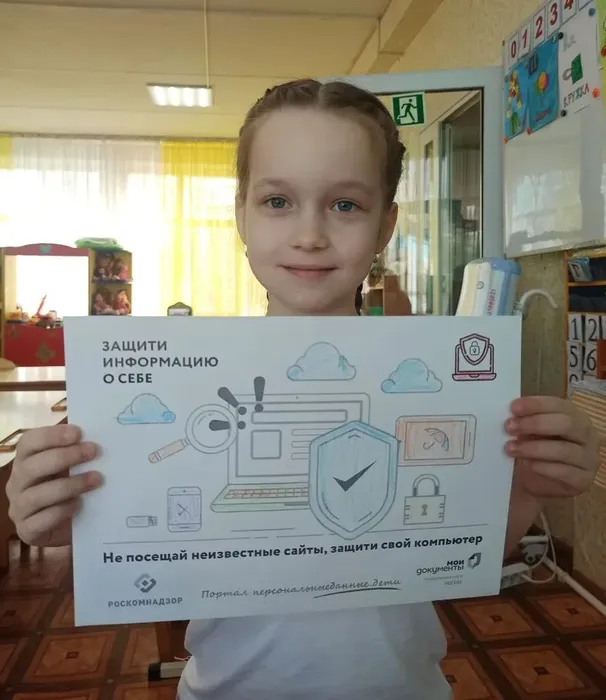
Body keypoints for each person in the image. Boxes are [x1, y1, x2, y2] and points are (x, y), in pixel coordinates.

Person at [5, 79, 599, 700]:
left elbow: (457, 552)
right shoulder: (187, 384)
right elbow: (140, 544)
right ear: (241, 214)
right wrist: (64, 519)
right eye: (277, 201)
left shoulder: (436, 390)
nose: (310, 234)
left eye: (345, 204)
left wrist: (531, 488)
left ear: (386, 225)